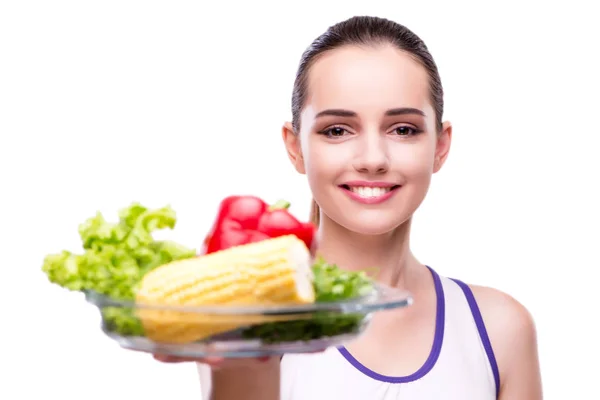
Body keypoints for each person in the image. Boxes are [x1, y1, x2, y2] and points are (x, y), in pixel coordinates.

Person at [152, 15, 543, 399]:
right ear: (295, 146)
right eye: (337, 130)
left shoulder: (499, 330)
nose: (372, 158)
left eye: (403, 129)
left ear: (440, 146)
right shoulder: (251, 318)